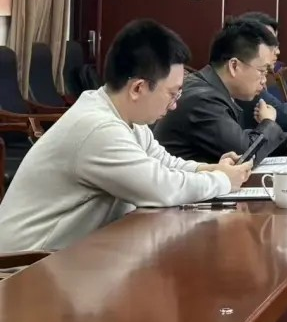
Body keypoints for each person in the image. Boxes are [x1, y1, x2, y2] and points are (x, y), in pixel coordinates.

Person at [0, 20, 251, 254]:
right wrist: (223, 180)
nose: (175, 104)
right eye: (172, 94)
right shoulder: (98, 128)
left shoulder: (126, 118)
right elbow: (161, 188)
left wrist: (210, 169)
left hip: (66, 259)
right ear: (138, 88)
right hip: (23, 267)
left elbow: (164, 164)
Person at [154, 20, 287, 165]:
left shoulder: (211, 88)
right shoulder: (202, 99)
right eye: (262, 71)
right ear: (234, 66)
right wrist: (268, 122)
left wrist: (285, 142)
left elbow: (234, 139)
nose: (264, 81)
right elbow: (244, 154)